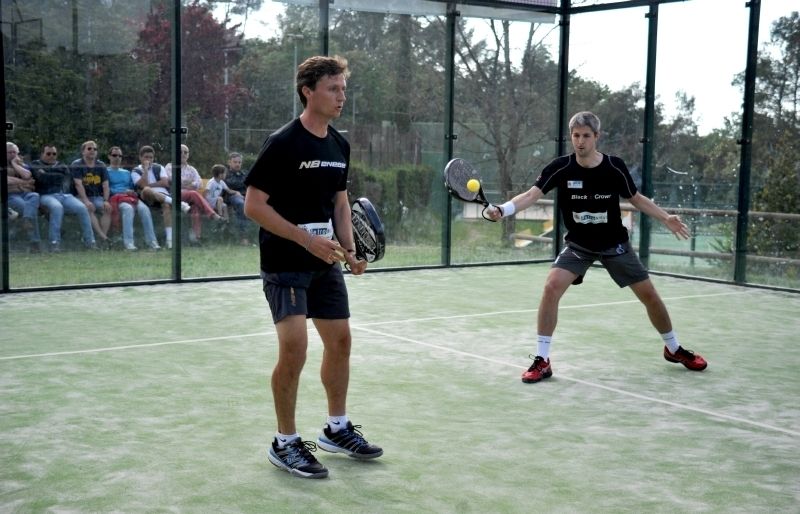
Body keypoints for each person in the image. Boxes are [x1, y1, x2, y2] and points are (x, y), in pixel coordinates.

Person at [487, 111, 708, 383]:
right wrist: (503, 209)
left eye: (586, 136)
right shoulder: (560, 167)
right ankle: (542, 360)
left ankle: (674, 349)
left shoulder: (614, 167)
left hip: (614, 243)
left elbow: (635, 198)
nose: (580, 142)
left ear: (597, 137)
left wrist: (666, 218)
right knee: (551, 287)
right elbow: (532, 195)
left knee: (649, 295)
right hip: (579, 244)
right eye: (576, 136)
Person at [244, 55, 382, 479]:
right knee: (295, 348)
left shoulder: (338, 144)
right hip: (286, 263)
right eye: (333, 88)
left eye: (343, 88)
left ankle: (336, 429)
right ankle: (284, 442)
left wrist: (351, 249)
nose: (341, 96)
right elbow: (254, 205)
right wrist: (307, 240)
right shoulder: (283, 142)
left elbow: (340, 202)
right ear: (308, 91)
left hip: (326, 264)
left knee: (340, 342)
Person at [30, 144, 97, 252]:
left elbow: (64, 178)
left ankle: (90, 242)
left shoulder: (61, 164)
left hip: (64, 195)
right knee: (57, 208)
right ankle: (54, 243)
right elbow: (40, 179)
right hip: (45, 195)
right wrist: (54, 175)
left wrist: (46, 174)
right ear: (42, 154)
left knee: (82, 208)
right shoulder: (35, 164)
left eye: (54, 154)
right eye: (48, 154)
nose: (52, 156)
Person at [164, 144, 222, 245]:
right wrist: (188, 183)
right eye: (180, 152)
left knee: (195, 208)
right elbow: (172, 181)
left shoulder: (192, 169)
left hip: (189, 199)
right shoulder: (170, 166)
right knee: (194, 194)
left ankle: (196, 238)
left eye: (185, 152)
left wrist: (185, 183)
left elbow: (199, 183)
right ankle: (212, 215)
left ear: (188, 155)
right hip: (175, 196)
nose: (183, 154)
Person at [131, 145, 187, 250]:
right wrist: (146, 171)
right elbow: (143, 185)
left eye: (151, 157)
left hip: (163, 195)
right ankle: (177, 203)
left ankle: (169, 241)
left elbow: (165, 183)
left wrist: (150, 185)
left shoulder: (159, 167)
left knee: (166, 206)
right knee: (147, 190)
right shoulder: (135, 171)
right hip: (147, 197)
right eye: (146, 157)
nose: (149, 160)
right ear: (140, 157)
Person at [106, 146, 160, 251]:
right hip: (116, 198)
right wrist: (121, 192)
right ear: (109, 156)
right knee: (128, 209)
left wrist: (132, 192)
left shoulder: (126, 173)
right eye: (114, 155)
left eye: (120, 155)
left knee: (144, 209)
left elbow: (133, 187)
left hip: (130, 197)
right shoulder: (106, 171)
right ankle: (129, 244)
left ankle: (152, 242)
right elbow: (106, 188)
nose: (117, 157)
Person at [71, 140, 112, 246]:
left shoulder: (101, 165)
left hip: (97, 196)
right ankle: (104, 238)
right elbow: (78, 185)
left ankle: (103, 239)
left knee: (107, 209)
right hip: (80, 197)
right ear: (83, 152)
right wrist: (86, 201)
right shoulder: (77, 164)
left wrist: (106, 201)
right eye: (89, 148)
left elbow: (106, 185)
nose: (92, 150)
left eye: (95, 149)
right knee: (88, 208)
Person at [6, 142, 41, 252]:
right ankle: (35, 243)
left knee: (35, 195)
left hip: (25, 193)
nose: (12, 154)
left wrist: (15, 164)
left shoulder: (20, 163)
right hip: (11, 195)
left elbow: (27, 175)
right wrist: (24, 182)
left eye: (14, 152)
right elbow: (6, 180)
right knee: (29, 209)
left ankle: (25, 221)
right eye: (9, 152)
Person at [225, 151, 252, 245]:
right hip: (232, 196)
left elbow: (251, 183)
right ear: (229, 162)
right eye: (235, 162)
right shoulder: (225, 173)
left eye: (239, 162)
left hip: (247, 196)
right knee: (241, 204)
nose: (237, 164)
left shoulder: (244, 173)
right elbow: (230, 184)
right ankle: (243, 236)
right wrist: (244, 183)